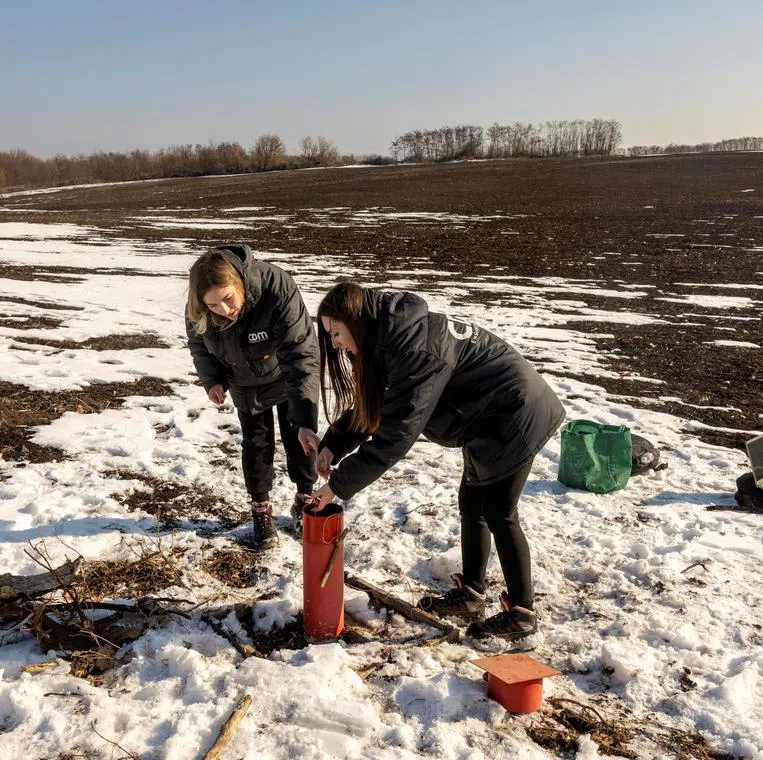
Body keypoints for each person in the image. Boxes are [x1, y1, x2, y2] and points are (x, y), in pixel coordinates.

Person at [306, 283, 565, 643]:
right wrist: (334, 444)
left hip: (517, 412)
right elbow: (380, 405)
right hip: (485, 416)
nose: (335, 343)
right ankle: (472, 594)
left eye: (336, 333)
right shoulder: (390, 339)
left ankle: (522, 612)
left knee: (499, 512)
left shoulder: (414, 348)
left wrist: (336, 487)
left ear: (356, 321)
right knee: (472, 504)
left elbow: (396, 434)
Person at [185, 245, 321, 551]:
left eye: (228, 299)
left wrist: (306, 419)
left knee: (298, 437)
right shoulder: (199, 304)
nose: (224, 310)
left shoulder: (276, 286)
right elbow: (198, 345)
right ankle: (261, 510)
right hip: (244, 381)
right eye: (213, 306)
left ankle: (305, 498)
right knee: (256, 443)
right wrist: (212, 380)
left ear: (239, 281)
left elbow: (300, 352)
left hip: (286, 374)